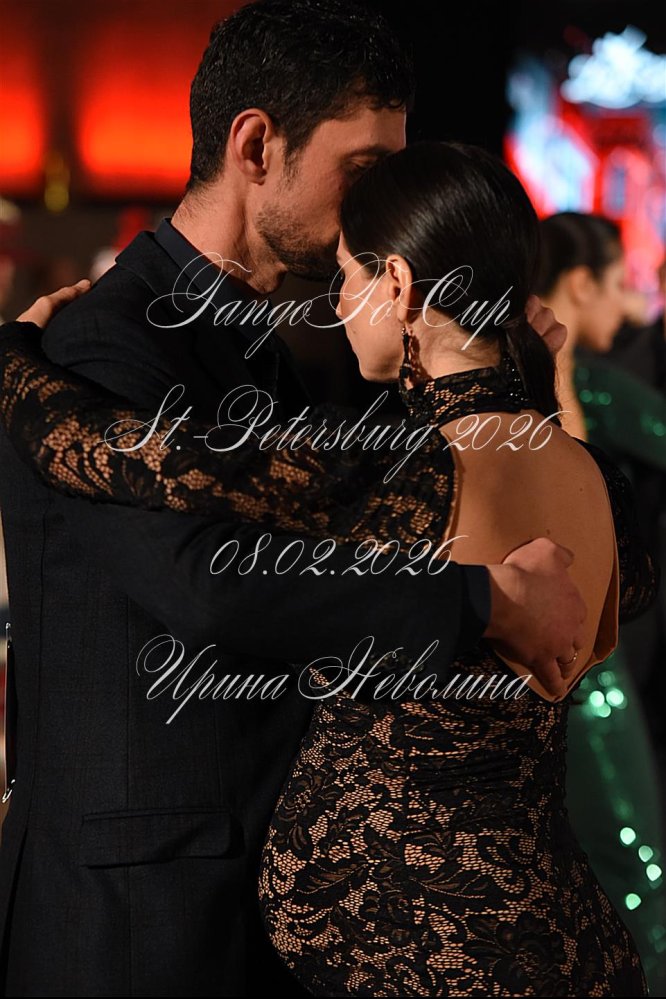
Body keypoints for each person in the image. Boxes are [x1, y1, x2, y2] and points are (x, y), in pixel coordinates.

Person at [0, 3, 588, 996]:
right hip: (138, 912)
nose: (380, 206)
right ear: (256, 146)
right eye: (363, 170)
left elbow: (354, 514)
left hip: (240, 896)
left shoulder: (260, 340)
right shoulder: (108, 340)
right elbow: (211, 588)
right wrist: (480, 601)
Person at [536, 211, 666, 994]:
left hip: (556, 666)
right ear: (580, 285)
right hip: (583, 672)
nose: (630, 306)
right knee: (639, 883)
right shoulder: (565, 378)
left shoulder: (543, 376)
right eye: (620, 285)